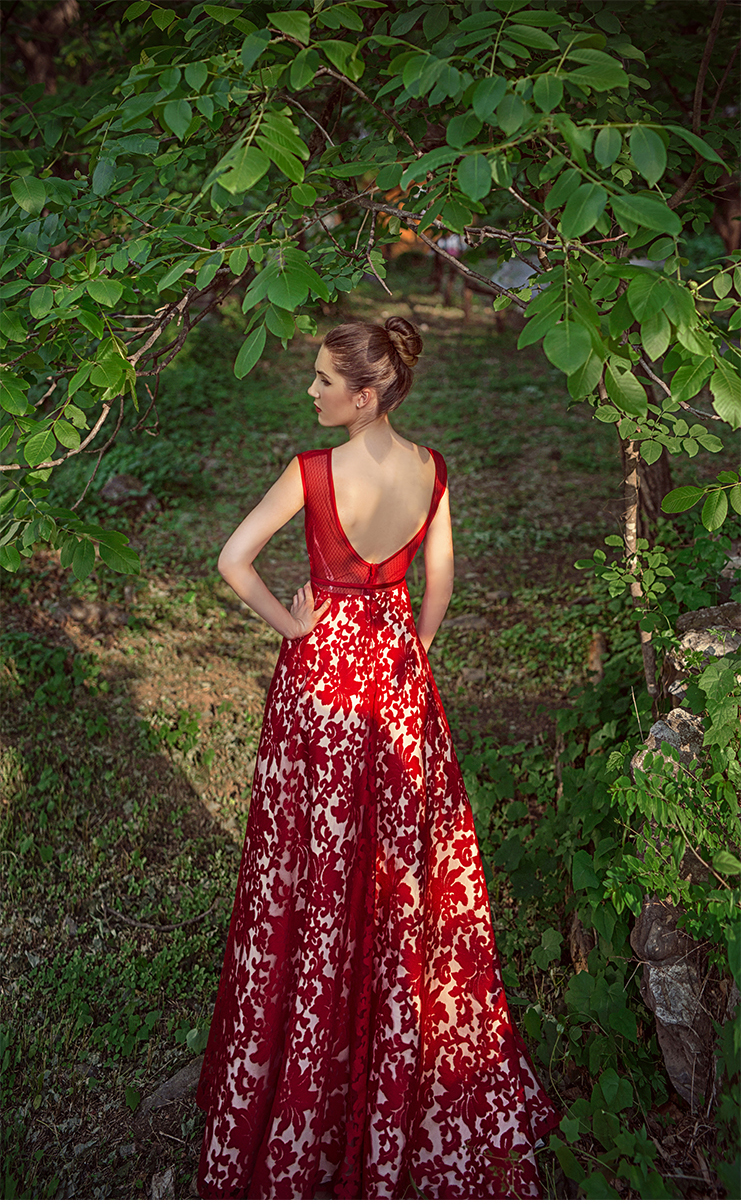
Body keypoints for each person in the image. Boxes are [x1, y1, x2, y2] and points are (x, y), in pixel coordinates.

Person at [196, 317, 558, 1200]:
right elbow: (439, 582)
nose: (311, 390)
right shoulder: (432, 469)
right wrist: (411, 656)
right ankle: (394, 1060)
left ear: (365, 396)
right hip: (397, 687)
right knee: (398, 871)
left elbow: (234, 560)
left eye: (324, 380)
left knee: (315, 868)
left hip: (321, 690)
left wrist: (293, 627)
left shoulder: (313, 472)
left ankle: (305, 1074)